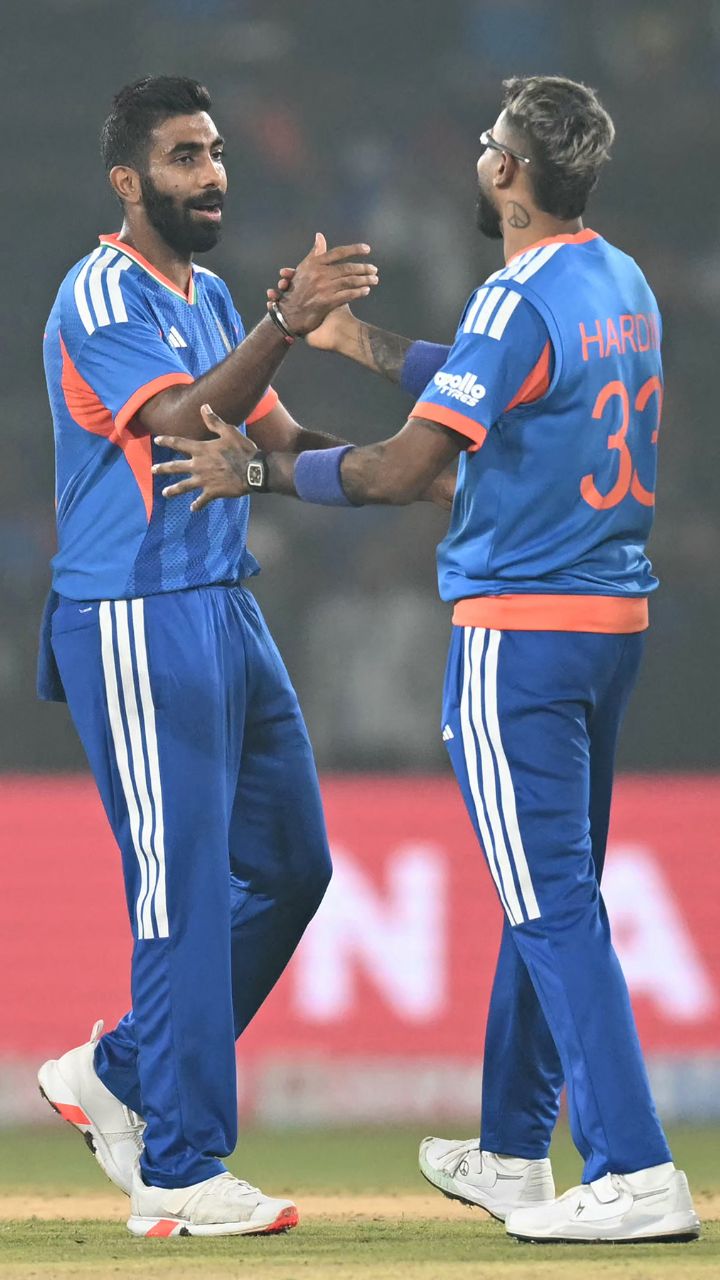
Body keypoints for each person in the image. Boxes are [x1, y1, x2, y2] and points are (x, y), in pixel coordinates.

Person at [153, 75, 701, 1245]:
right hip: (608, 627)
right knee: (543, 892)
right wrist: (354, 340)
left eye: (490, 143)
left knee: (550, 905)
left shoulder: (516, 295)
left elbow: (408, 469)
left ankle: (636, 1168)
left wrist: (261, 471)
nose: (480, 157)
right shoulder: (619, 281)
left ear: (508, 171)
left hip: (520, 634)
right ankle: (513, 1147)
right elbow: (499, 373)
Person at [37, 75, 383, 1239]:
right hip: (135, 614)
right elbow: (183, 420)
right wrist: (281, 329)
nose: (214, 173)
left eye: (218, 150)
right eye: (186, 155)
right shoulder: (98, 293)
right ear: (128, 180)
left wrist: (406, 469)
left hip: (225, 605)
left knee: (294, 866)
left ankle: (119, 1071)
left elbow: (271, 443)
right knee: (180, 890)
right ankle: (178, 1168)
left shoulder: (214, 294)